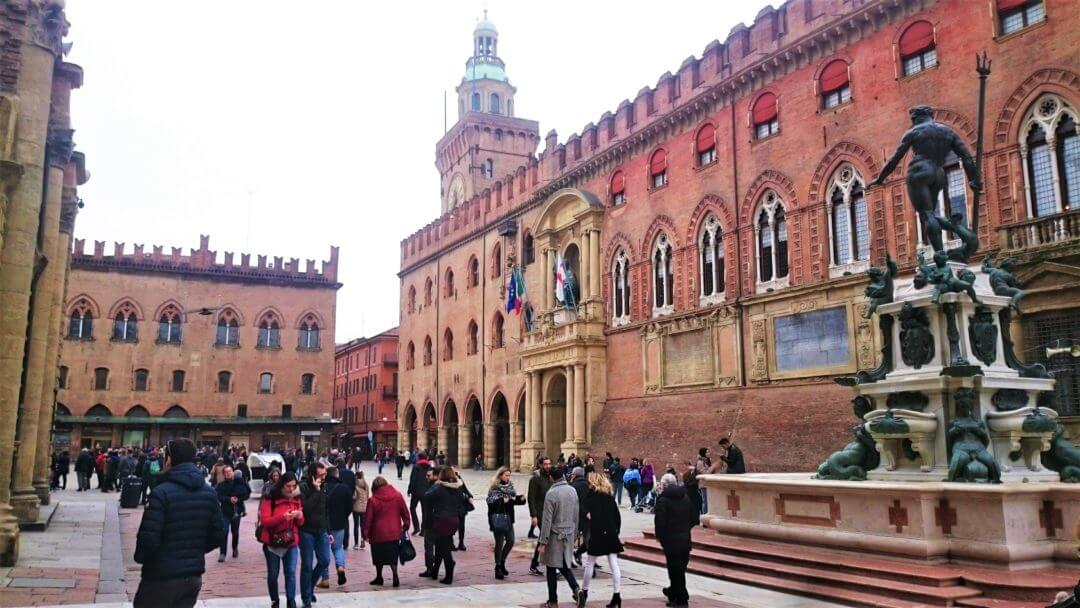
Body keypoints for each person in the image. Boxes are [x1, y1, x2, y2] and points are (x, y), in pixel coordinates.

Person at [869, 105, 981, 253]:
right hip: (939, 174)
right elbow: (966, 157)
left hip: (919, 171)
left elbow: (895, 159)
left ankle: (940, 257)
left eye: (913, 119)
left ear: (917, 118)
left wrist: (880, 178)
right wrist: (973, 179)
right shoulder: (948, 132)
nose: (912, 121)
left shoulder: (914, 132)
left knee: (927, 215)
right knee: (931, 215)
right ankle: (955, 227)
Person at [133, 438, 225, 608]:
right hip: (192, 576)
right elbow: (219, 533)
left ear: (169, 459)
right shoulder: (209, 493)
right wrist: (195, 550)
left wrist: (142, 558)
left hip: (160, 576)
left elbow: (149, 538)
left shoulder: (161, 493)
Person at [537, 466, 581, 608]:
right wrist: (574, 534)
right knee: (563, 565)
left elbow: (547, 520)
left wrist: (543, 540)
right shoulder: (572, 490)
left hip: (555, 535)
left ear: (551, 478)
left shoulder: (551, 493)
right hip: (569, 533)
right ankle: (576, 588)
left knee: (551, 567)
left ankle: (553, 601)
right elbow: (576, 514)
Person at [259, 472, 304, 608]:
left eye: (293, 486)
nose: (291, 489)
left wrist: (300, 516)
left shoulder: (296, 499)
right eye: (288, 486)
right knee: (273, 574)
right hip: (273, 542)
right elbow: (265, 521)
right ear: (282, 485)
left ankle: (291, 600)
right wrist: (282, 517)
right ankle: (275, 600)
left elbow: (300, 524)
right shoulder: (270, 498)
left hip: (291, 541)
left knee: (290, 572)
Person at [579, 472, 624, 608]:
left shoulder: (591, 496)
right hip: (610, 533)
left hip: (597, 532)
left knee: (590, 562)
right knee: (613, 563)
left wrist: (588, 515)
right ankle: (617, 595)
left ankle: (584, 592)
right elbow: (617, 516)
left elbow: (583, 509)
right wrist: (616, 530)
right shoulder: (609, 497)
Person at [654, 473, 695, 607]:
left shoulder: (663, 500)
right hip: (685, 539)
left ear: (665, 485)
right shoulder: (685, 497)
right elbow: (694, 518)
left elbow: (660, 522)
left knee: (674, 570)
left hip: (671, 541)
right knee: (680, 568)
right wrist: (684, 529)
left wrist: (661, 537)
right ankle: (673, 592)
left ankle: (681, 598)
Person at [363, 476, 409, 587]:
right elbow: (405, 512)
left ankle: (379, 577)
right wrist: (406, 524)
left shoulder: (373, 500)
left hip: (378, 533)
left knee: (378, 555)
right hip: (394, 532)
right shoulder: (397, 495)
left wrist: (365, 533)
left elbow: (368, 518)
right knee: (393, 555)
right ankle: (395, 576)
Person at [424, 467, 466, 584]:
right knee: (440, 545)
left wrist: (436, 484)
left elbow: (427, 495)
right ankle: (435, 571)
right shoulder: (457, 488)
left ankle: (449, 573)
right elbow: (462, 500)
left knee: (444, 548)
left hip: (442, 520)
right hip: (454, 520)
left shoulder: (440, 488)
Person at [298, 463, 331, 608]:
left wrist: (329, 531)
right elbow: (306, 509)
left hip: (322, 530)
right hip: (306, 531)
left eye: (325, 474)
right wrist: (316, 491)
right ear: (312, 475)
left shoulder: (324, 486)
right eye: (321, 475)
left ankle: (309, 587)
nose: (324, 477)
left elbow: (326, 510)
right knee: (306, 565)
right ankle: (306, 597)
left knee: (325, 560)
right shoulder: (303, 488)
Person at [485, 466, 526, 579]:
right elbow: (490, 503)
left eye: (509, 475)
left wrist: (520, 499)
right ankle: (498, 567)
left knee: (511, 541)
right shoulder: (494, 488)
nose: (508, 477)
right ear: (500, 475)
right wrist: (501, 501)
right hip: (498, 520)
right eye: (506, 475)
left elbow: (512, 501)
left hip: (508, 519)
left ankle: (502, 561)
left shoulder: (510, 487)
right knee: (499, 544)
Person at [216, 465, 251, 561]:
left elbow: (247, 494)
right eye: (226, 472)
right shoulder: (220, 485)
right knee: (224, 531)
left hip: (236, 511)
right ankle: (222, 553)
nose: (228, 473)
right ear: (224, 474)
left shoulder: (239, 483)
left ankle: (235, 548)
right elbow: (218, 496)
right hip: (225, 511)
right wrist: (229, 499)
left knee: (235, 532)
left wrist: (238, 499)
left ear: (233, 472)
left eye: (230, 471)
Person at [324, 466, 353, 585]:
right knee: (338, 548)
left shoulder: (323, 487)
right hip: (340, 523)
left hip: (325, 524)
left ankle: (325, 578)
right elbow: (349, 506)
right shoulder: (344, 488)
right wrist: (344, 516)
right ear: (336, 475)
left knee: (324, 550)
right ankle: (340, 567)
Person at [527, 457, 554, 575]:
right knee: (546, 537)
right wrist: (533, 515)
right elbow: (531, 498)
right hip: (540, 512)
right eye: (546, 464)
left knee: (544, 539)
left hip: (550, 512)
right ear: (540, 465)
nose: (548, 466)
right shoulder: (535, 479)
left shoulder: (551, 477)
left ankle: (534, 564)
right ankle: (552, 566)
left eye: (549, 464)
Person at [407, 455, 432, 534]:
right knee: (425, 510)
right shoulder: (429, 467)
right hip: (427, 492)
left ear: (419, 458)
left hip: (416, 492)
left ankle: (416, 527)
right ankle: (423, 530)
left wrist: (409, 490)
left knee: (412, 508)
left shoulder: (416, 467)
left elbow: (413, 479)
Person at [570, 466, 589, 564]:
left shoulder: (572, 487)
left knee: (570, 540)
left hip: (575, 517)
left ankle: (569, 559)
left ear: (574, 475)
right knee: (588, 540)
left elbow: (574, 503)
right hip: (587, 517)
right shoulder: (589, 485)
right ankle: (579, 552)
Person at [455, 471, 473, 551]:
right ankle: (450, 543)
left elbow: (465, 489)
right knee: (452, 525)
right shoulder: (445, 481)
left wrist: (470, 496)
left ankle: (461, 542)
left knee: (461, 525)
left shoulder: (459, 479)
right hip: (451, 507)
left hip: (461, 506)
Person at [352, 470, 370, 550]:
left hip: (356, 508)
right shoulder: (366, 485)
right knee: (362, 525)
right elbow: (367, 496)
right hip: (364, 508)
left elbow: (354, 497)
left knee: (356, 525)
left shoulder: (355, 486)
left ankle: (356, 543)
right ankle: (363, 540)